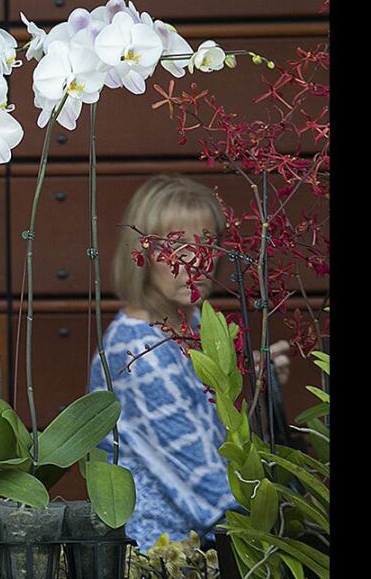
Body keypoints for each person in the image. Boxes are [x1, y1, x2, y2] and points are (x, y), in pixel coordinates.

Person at [89, 174, 289, 548]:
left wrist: (257, 388)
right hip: (161, 554)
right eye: (176, 249)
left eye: (206, 245)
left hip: (208, 546)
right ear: (143, 255)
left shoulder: (194, 325)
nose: (195, 264)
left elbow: (227, 445)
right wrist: (296, 521)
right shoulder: (134, 351)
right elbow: (208, 484)